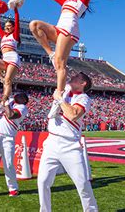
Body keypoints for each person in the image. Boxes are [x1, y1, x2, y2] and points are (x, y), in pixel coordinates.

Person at [29, 0, 98, 95]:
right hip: (59, 29)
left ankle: (58, 98)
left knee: (61, 65)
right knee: (34, 25)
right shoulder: (66, 1)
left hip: (69, 30)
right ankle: (51, 54)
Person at [37, 72, 98, 212]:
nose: (72, 78)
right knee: (43, 182)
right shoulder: (63, 91)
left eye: (76, 78)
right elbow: (59, 66)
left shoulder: (84, 98)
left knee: (82, 183)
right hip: (51, 142)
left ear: (83, 84)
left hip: (70, 145)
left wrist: (59, 100)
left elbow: (73, 114)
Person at [0, 6, 21, 109]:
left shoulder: (14, 35)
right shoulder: (3, 36)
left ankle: (3, 102)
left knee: (8, 82)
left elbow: (17, 19)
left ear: (13, 27)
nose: (7, 27)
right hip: (5, 60)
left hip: (13, 59)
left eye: (9, 26)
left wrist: (15, 8)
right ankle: (1, 78)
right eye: (6, 26)